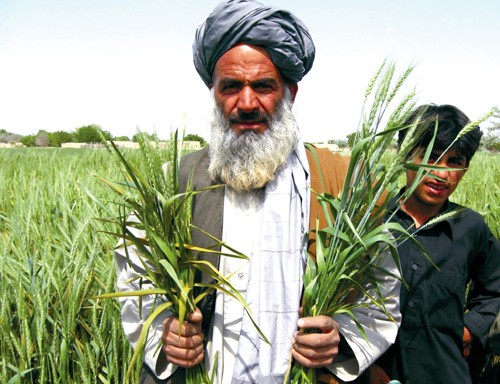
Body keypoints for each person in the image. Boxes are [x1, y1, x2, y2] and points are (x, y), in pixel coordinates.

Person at [115, 1, 401, 383]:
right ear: (213, 92)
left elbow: (382, 292)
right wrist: (165, 333)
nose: (246, 103)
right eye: (231, 87)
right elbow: (136, 281)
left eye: (263, 86)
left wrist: (342, 339)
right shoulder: (173, 182)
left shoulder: (343, 184)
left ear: (290, 93)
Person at [360, 104, 500, 384]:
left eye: (454, 161)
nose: (442, 173)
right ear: (405, 156)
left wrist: (471, 329)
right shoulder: (370, 220)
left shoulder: (470, 228)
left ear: (465, 168)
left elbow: (495, 288)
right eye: (431, 157)